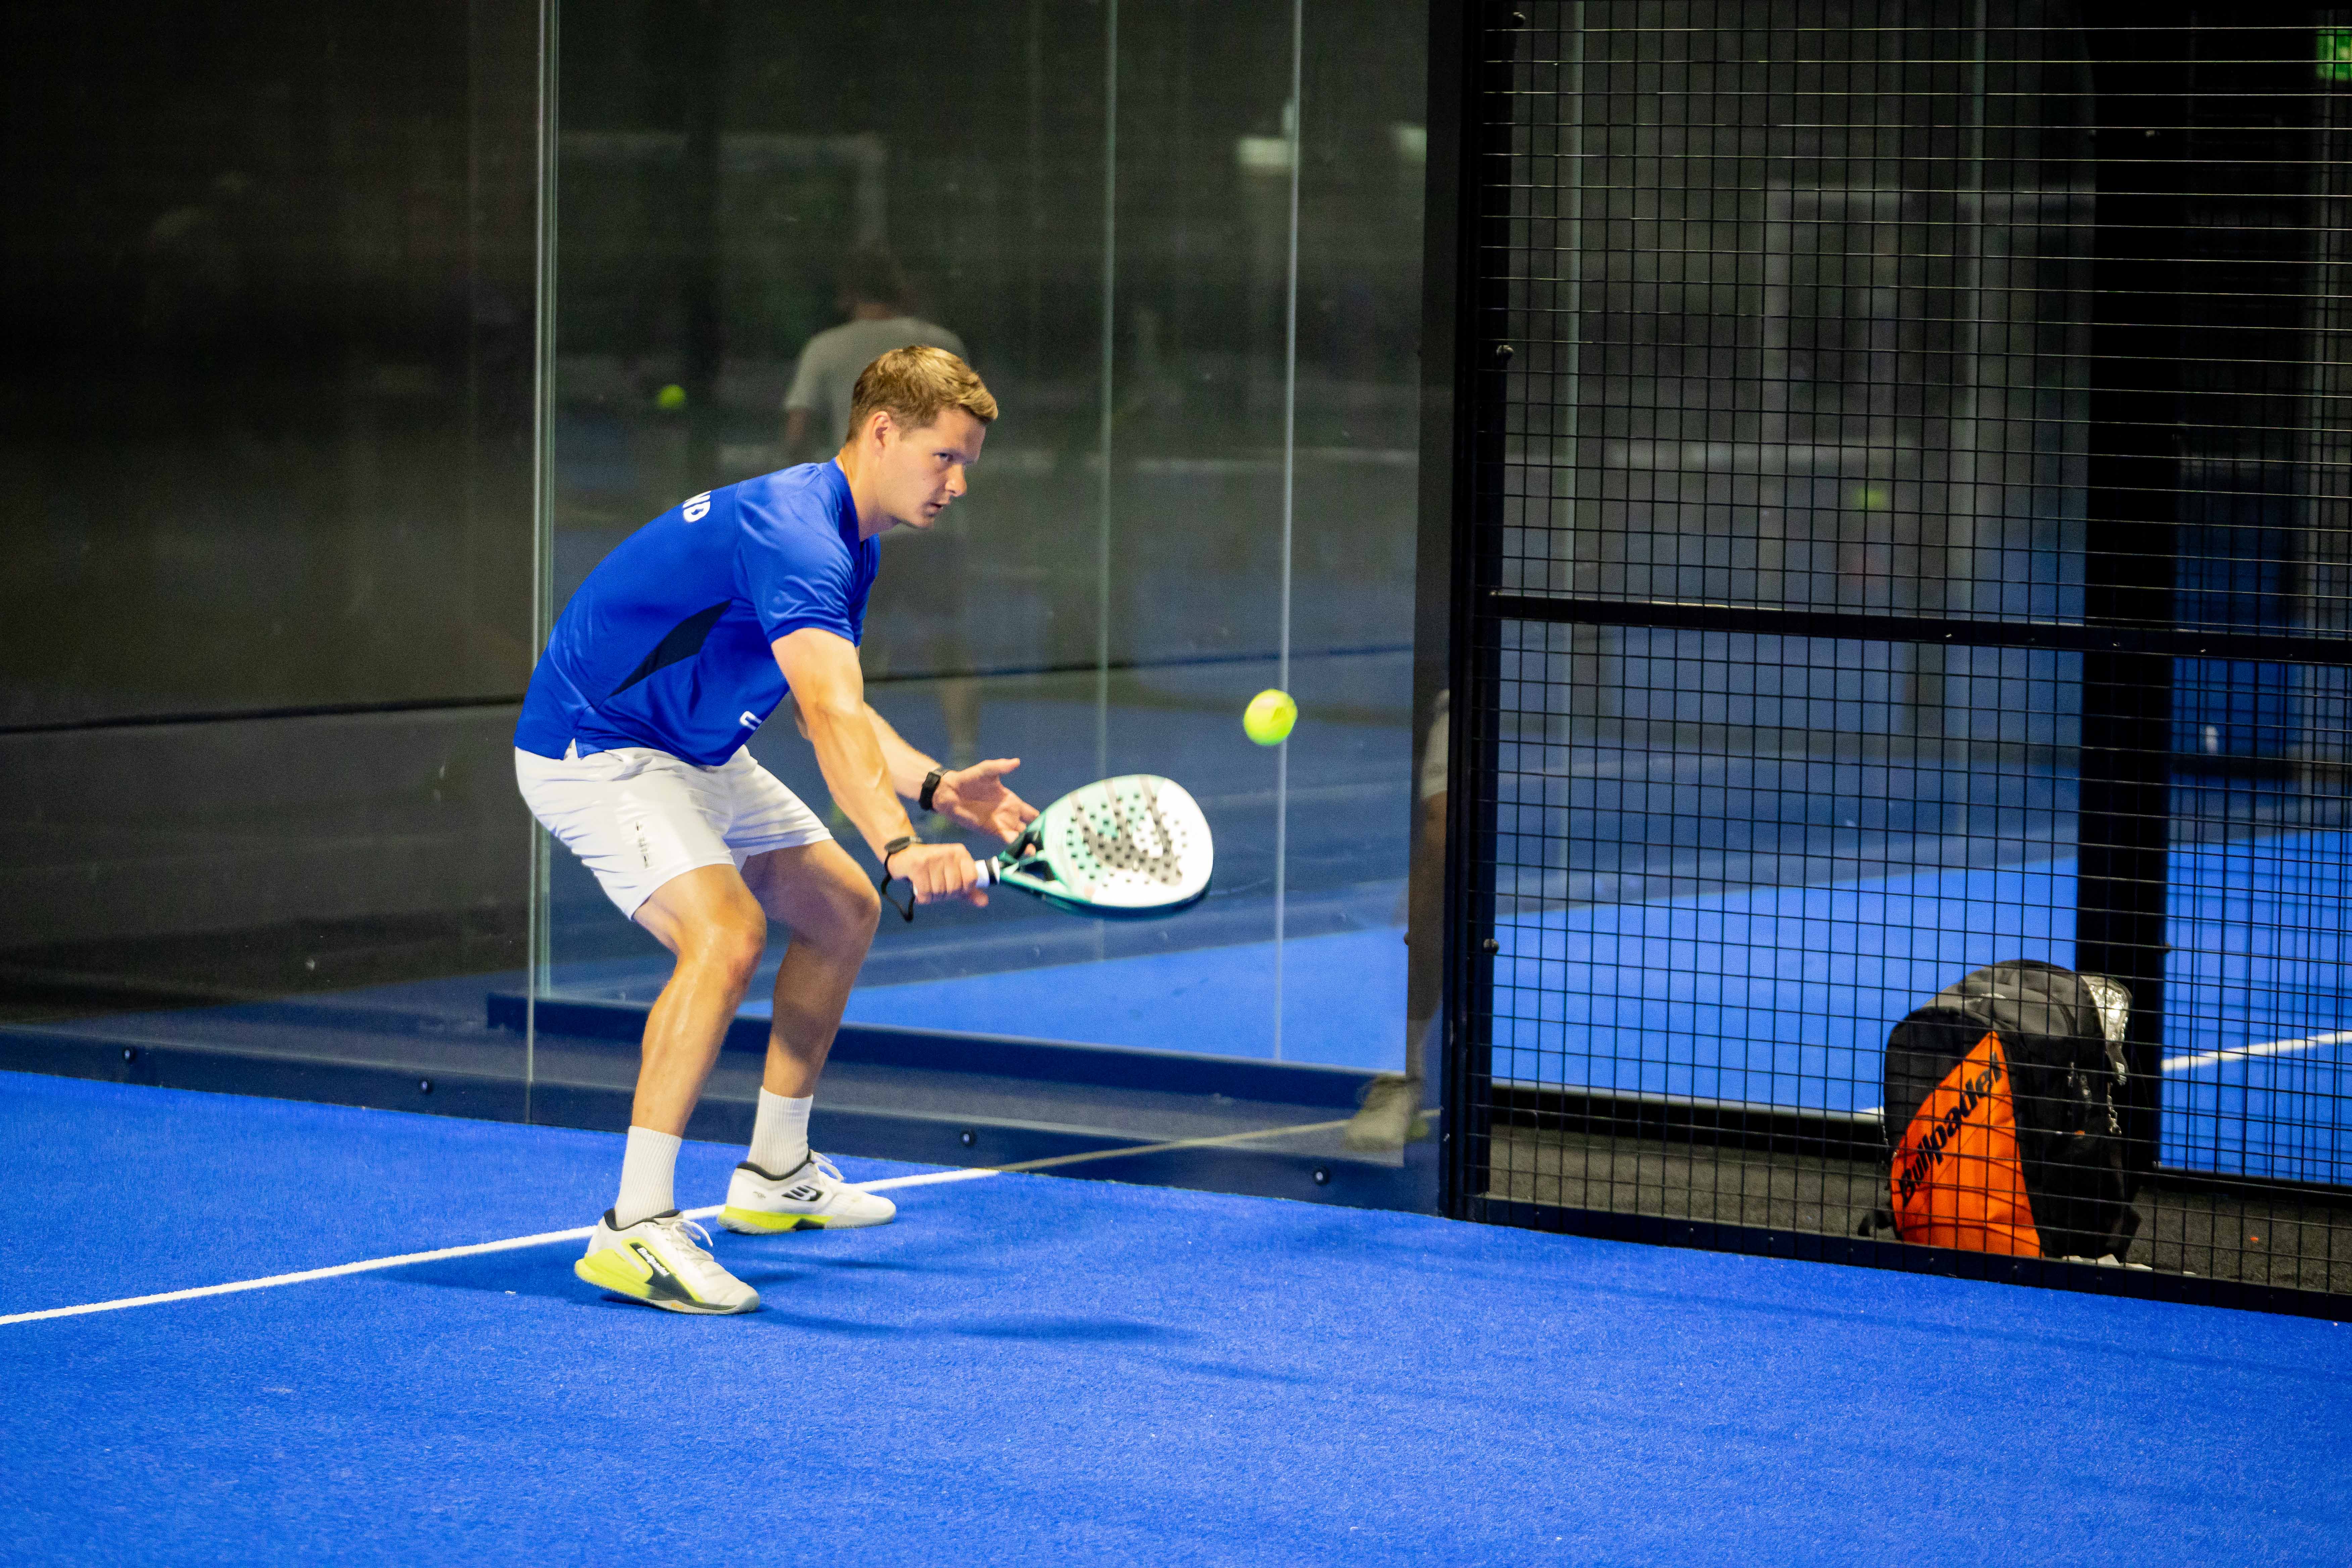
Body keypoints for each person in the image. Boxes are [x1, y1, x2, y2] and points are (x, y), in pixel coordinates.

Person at [515, 346, 1037, 1315]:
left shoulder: (851, 535)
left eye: (968, 464)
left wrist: (936, 788)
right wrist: (898, 846)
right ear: (882, 432)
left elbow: (825, 700)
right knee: (725, 935)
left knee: (842, 912)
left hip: (699, 751)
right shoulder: (799, 532)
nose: (959, 484)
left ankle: (775, 1173)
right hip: (597, 747)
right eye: (946, 458)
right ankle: (634, 1226)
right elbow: (830, 718)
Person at [783, 249, 980, 785]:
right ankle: (965, 760)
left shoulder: (826, 349)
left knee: (854, 655)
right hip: (933, 528)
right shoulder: (943, 344)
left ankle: (856, 775)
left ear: (847, 294)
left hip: (860, 529)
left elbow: (796, 435)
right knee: (949, 647)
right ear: (903, 288)